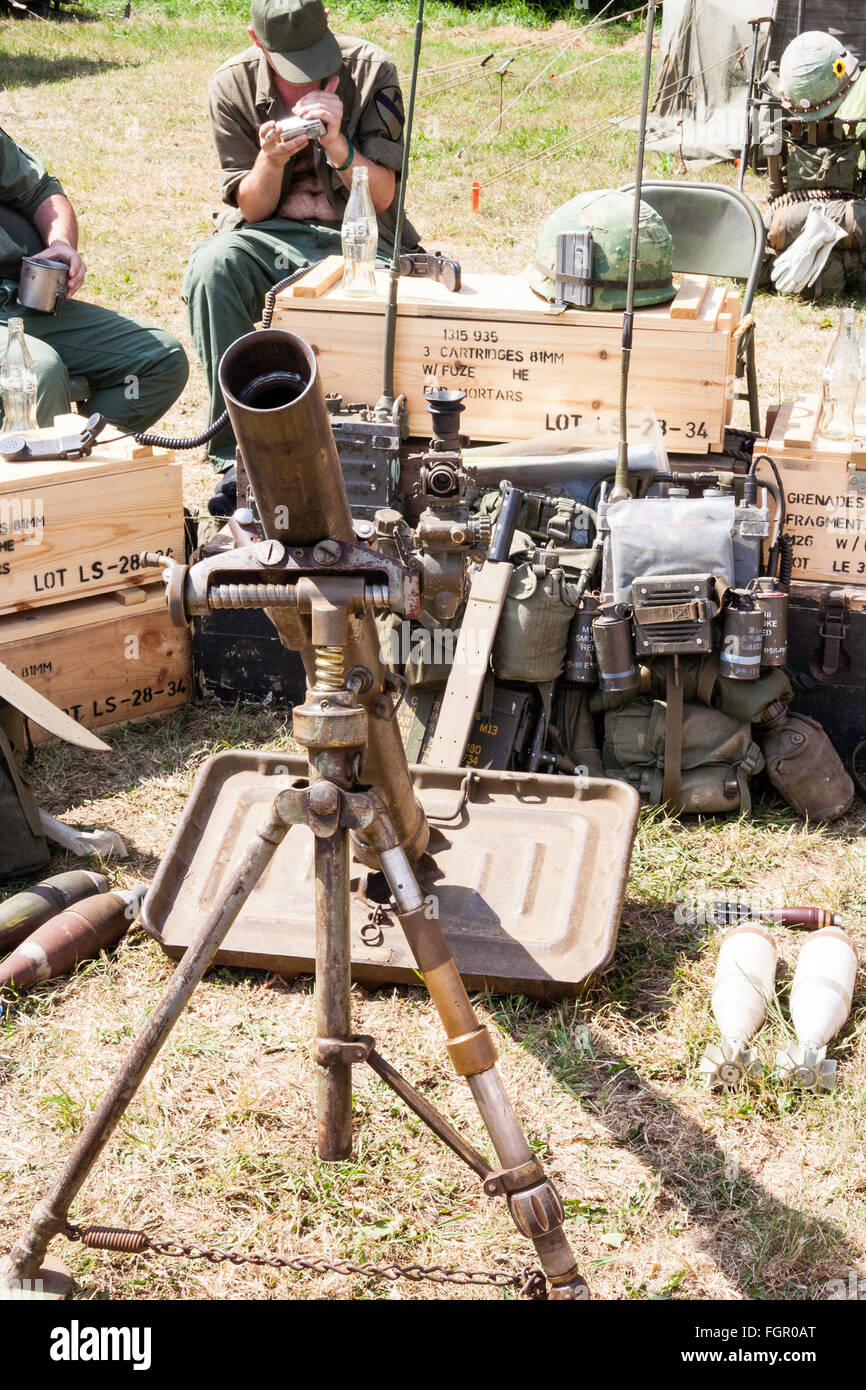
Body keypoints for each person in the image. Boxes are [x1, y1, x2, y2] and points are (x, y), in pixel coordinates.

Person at [182, 0, 420, 471]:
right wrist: (270, 160)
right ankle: (237, 455)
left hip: (360, 233)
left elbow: (382, 196)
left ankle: (380, 446)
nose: (307, 78)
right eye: (292, 65)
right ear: (256, 41)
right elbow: (251, 206)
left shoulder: (372, 70)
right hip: (269, 233)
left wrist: (337, 144)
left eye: (315, 59)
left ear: (328, 22)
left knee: (404, 307)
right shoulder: (232, 83)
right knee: (212, 267)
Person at [0, 127, 189, 433]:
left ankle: (82, 454)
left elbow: (38, 191)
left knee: (160, 361)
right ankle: (47, 476)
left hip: (19, 297)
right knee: (40, 373)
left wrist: (61, 243)